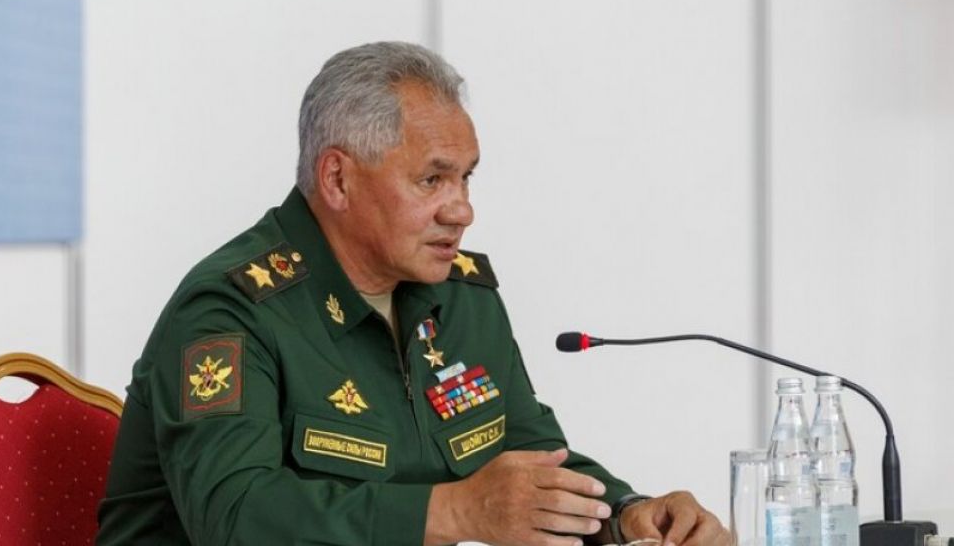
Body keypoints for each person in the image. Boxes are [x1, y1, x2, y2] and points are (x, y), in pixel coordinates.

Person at [97, 41, 731, 546]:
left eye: (466, 178)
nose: (462, 211)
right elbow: (235, 517)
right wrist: (456, 510)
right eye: (432, 180)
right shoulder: (230, 312)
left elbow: (531, 460)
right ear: (337, 179)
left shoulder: (459, 296)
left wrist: (627, 515)